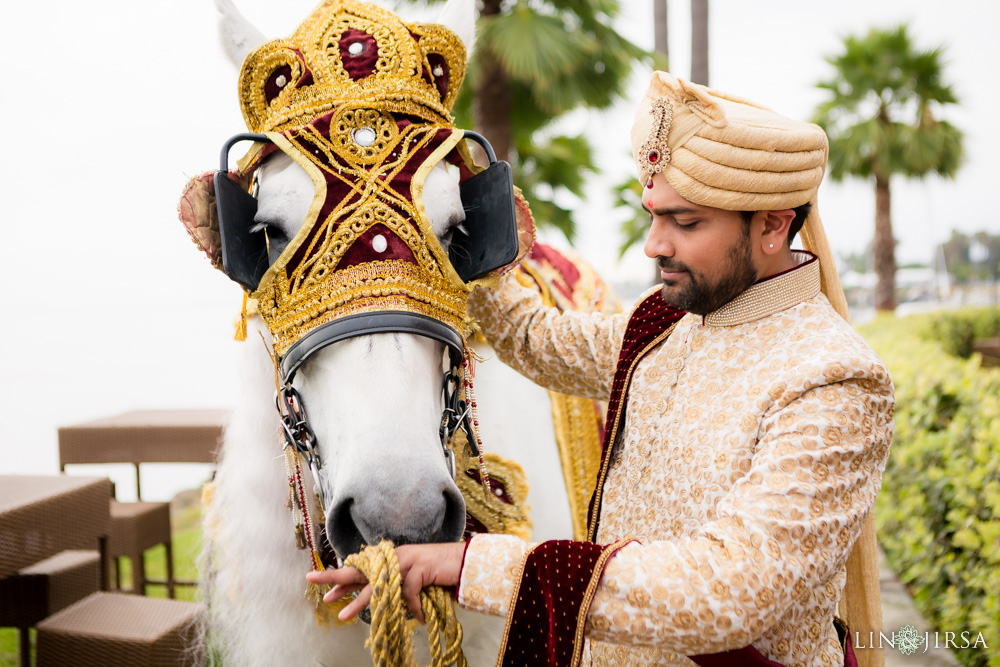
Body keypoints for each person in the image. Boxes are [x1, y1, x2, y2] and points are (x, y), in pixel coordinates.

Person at [308, 71, 894, 667]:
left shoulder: (833, 379)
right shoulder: (665, 324)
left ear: (772, 224)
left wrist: (471, 563)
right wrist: (456, 220)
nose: (654, 244)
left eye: (684, 223)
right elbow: (533, 339)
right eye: (652, 216)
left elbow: (731, 592)